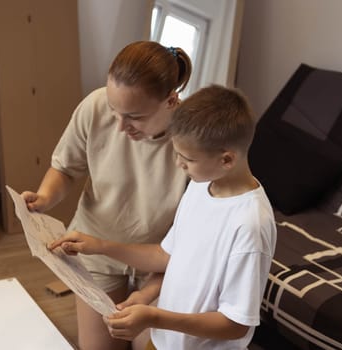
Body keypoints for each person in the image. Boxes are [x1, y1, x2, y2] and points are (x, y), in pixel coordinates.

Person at [48, 85, 277, 350]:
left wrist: (155, 316)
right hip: (163, 341)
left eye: (186, 158)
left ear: (226, 159)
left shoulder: (250, 224)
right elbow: (166, 256)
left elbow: (236, 324)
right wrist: (100, 247)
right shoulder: (202, 185)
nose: (179, 164)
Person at [21, 41, 192, 350]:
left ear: (170, 101)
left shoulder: (193, 140)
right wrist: (45, 198)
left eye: (135, 116)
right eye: (114, 111)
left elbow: (191, 247)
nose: (121, 125)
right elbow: (65, 168)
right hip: (93, 248)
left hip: (158, 262)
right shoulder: (95, 106)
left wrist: (147, 294)